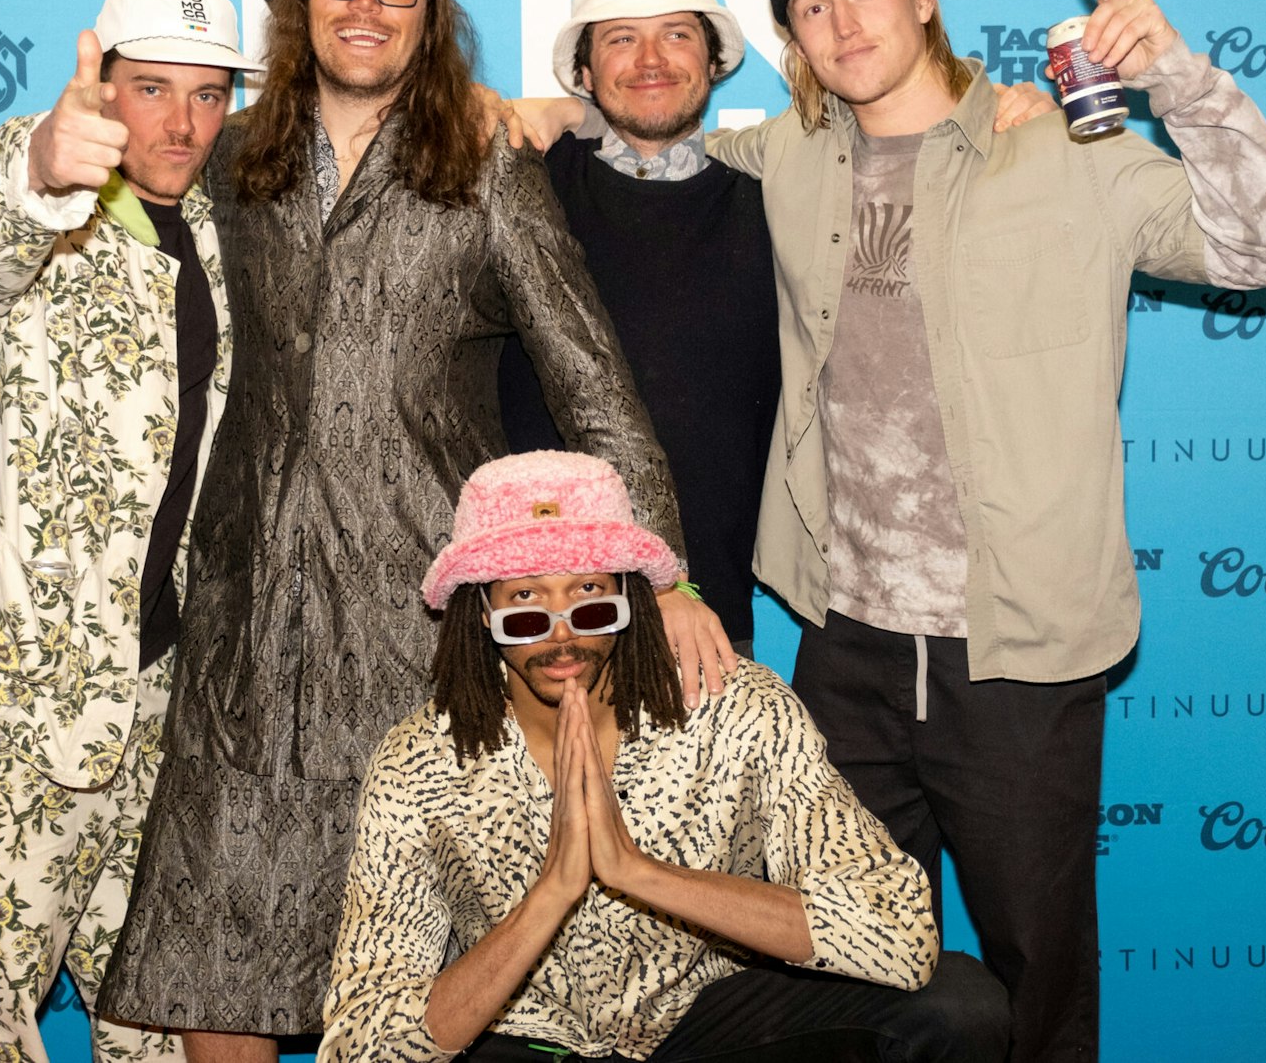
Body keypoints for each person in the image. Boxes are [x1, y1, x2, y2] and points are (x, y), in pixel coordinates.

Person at [93, 0, 730, 1062]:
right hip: (247, 615)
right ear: (302, 3)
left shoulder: (484, 169)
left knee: (415, 971)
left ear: (429, 13)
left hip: (422, 621)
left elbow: (595, 388)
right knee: (220, 947)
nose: (365, 5)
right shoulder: (232, 153)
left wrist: (661, 578)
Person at [706, 0, 1266, 1060]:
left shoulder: (1070, 152)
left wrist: (1174, 79)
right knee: (859, 981)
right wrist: (520, 114)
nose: (843, 23)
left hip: (1018, 656)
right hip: (843, 648)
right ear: (792, 40)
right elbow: (635, 166)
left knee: (1037, 985)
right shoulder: (783, 158)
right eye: (811, 7)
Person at [0, 0, 260, 1061]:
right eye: (149, 88)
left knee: (155, 1018)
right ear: (100, 87)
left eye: (209, 93)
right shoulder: (44, 216)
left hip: (150, 694)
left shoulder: (225, 233)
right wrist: (40, 162)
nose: (179, 122)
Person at [322, 449, 1010, 1062]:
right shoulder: (421, 764)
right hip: (528, 1036)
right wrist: (553, 893)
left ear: (629, 597)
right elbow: (363, 1042)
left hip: (705, 1021)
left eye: (590, 598)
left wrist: (638, 872)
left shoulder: (735, 711)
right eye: (526, 603)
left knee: (958, 1006)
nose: (562, 636)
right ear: (481, 614)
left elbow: (897, 931)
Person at [494, 0, 779, 655]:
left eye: (676, 34)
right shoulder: (518, 180)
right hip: (532, 613)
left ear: (715, 60)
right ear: (584, 71)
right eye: (622, 38)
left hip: (706, 611)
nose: (650, 60)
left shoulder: (779, 200)